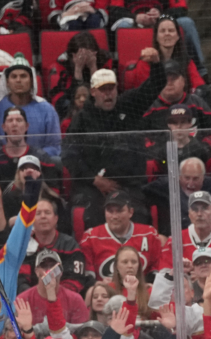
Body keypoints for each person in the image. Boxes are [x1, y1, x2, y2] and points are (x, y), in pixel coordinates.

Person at [61, 63, 167, 228]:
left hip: (129, 184)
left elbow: (157, 84)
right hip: (93, 186)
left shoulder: (130, 106)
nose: (108, 93)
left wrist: (155, 62)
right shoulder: (81, 119)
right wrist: (94, 179)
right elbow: (69, 155)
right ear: (93, 92)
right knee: (92, 217)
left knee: (138, 215)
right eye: (103, 90)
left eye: (111, 88)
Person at [0, 55, 62, 158]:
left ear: (31, 81)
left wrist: (30, 159)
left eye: (23, 76)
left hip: (40, 165)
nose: (18, 80)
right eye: (14, 76)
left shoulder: (47, 109)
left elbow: (54, 146)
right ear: (7, 82)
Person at [80, 190, 164, 282]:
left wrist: (144, 287)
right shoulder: (90, 237)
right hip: (106, 293)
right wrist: (99, 285)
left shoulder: (149, 234)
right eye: (110, 211)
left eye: (119, 211)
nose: (114, 216)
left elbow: (157, 269)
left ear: (131, 212)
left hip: (141, 292)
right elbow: (88, 278)